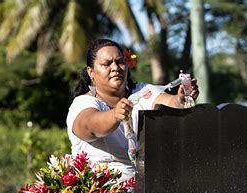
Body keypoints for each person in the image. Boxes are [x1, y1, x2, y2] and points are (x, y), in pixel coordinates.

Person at [66, 38, 199, 181]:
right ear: (91, 72)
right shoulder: (83, 103)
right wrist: (115, 115)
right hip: (99, 192)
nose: (115, 67)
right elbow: (90, 126)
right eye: (106, 64)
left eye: (120, 62)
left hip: (146, 189)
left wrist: (181, 99)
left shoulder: (141, 93)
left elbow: (167, 102)